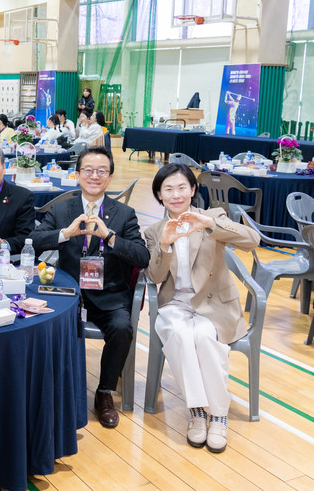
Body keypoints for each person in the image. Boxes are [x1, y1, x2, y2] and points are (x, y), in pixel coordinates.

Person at [29, 147, 150, 428]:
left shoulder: (124, 214)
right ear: (77, 174)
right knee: (40, 324)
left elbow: (142, 257)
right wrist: (65, 234)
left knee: (122, 328)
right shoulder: (62, 209)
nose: (94, 176)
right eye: (88, 170)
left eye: (101, 171)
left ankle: (104, 392)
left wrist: (110, 237)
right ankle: (53, 389)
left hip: (109, 295)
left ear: (110, 177)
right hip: (69, 295)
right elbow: (34, 241)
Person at [144, 163, 259, 453]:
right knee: (181, 335)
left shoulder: (213, 216)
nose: (176, 195)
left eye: (182, 187)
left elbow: (252, 240)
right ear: (159, 195)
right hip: (175, 304)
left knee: (204, 337)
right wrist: (165, 245)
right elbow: (154, 277)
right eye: (168, 189)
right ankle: (197, 411)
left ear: (193, 189)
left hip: (213, 303)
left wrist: (208, 224)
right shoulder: (154, 231)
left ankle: (218, 415)